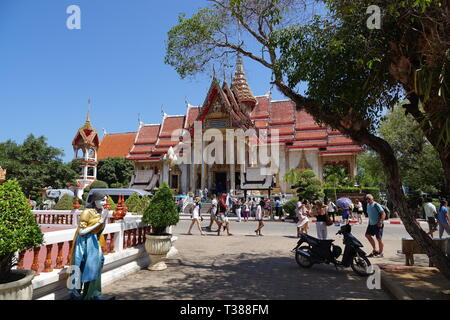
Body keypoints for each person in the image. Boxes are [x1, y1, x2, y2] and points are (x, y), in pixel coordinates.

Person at [69, 191, 109, 300]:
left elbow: (100, 230)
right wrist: (99, 222)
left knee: (96, 266)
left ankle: (92, 293)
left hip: (94, 241)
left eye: (105, 200)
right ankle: (74, 293)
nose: (105, 202)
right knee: (79, 265)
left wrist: (102, 220)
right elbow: (81, 231)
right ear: (94, 200)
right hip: (82, 242)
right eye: (102, 200)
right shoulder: (87, 212)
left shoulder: (102, 212)